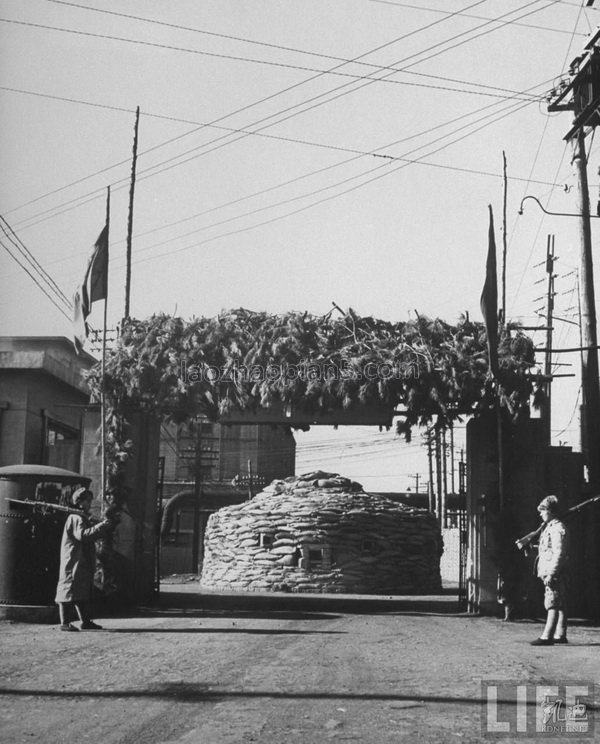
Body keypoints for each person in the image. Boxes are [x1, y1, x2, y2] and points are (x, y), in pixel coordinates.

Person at [55, 487, 114, 631]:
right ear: (80, 502)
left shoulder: (81, 517)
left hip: (80, 560)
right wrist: (101, 526)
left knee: (80, 592)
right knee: (68, 591)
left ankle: (85, 621)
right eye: (88, 500)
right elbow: (83, 535)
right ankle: (64, 623)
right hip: (74, 560)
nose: (90, 503)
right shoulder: (76, 517)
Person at [530, 495, 569, 646]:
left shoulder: (557, 529)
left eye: (543, 511)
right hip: (554, 569)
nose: (540, 514)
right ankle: (560, 634)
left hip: (553, 571)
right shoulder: (551, 527)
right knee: (560, 603)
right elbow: (548, 549)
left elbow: (559, 552)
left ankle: (547, 636)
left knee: (552, 602)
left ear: (550, 511)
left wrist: (552, 573)